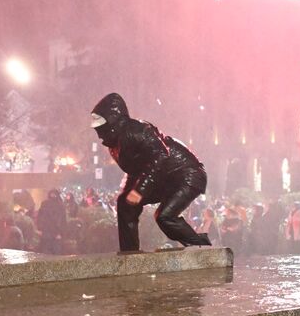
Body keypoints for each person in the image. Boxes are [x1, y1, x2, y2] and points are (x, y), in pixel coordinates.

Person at [90, 93, 210, 252]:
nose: (97, 129)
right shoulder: (116, 144)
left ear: (112, 118)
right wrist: (129, 192)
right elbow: (135, 170)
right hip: (165, 178)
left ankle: (200, 247)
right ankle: (130, 254)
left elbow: (160, 155)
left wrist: (140, 190)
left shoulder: (137, 130)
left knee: (165, 216)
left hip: (187, 174)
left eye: (101, 123)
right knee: (125, 204)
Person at [36, 189, 68, 254]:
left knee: (55, 251)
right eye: (52, 194)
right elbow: (40, 216)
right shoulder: (45, 203)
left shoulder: (60, 205)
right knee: (46, 250)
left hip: (56, 231)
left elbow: (63, 219)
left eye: (54, 194)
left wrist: (61, 232)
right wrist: (40, 228)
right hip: (46, 231)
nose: (53, 195)